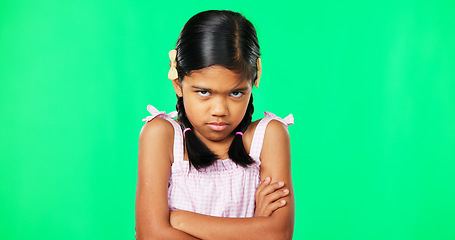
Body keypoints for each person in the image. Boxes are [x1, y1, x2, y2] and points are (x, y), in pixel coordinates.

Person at [135, 10, 294, 240]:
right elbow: (151, 234)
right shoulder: (162, 136)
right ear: (178, 84)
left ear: (254, 81)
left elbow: (278, 234)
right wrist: (254, 228)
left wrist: (180, 220)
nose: (219, 110)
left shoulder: (268, 137)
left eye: (236, 93)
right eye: (204, 92)